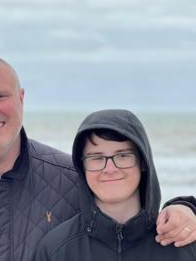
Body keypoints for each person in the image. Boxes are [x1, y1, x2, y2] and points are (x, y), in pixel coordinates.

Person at [0, 55, 196, 260]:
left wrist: (185, 208)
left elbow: (134, 219)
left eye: (1, 95)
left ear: (22, 98)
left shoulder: (73, 178)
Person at [36, 109, 196, 260]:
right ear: (82, 167)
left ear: (143, 162)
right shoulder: (55, 248)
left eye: (122, 155)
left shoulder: (183, 240)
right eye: (96, 158)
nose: (110, 169)